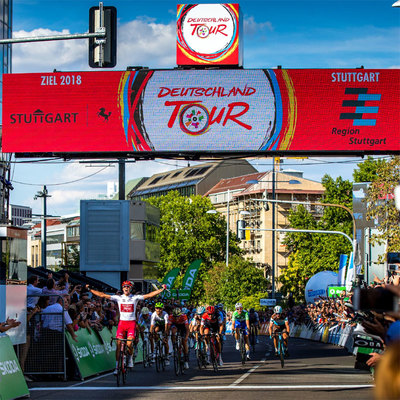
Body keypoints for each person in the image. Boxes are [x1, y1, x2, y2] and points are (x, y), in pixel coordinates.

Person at [86, 281, 166, 374]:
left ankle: (130, 358)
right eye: (124, 287)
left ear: (130, 289)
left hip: (131, 324)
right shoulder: (119, 298)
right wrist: (90, 289)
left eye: (128, 287)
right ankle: (116, 367)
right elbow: (103, 295)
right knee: (119, 345)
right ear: (122, 288)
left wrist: (161, 289)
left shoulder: (135, 298)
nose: (126, 288)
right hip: (122, 324)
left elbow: (149, 295)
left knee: (129, 344)